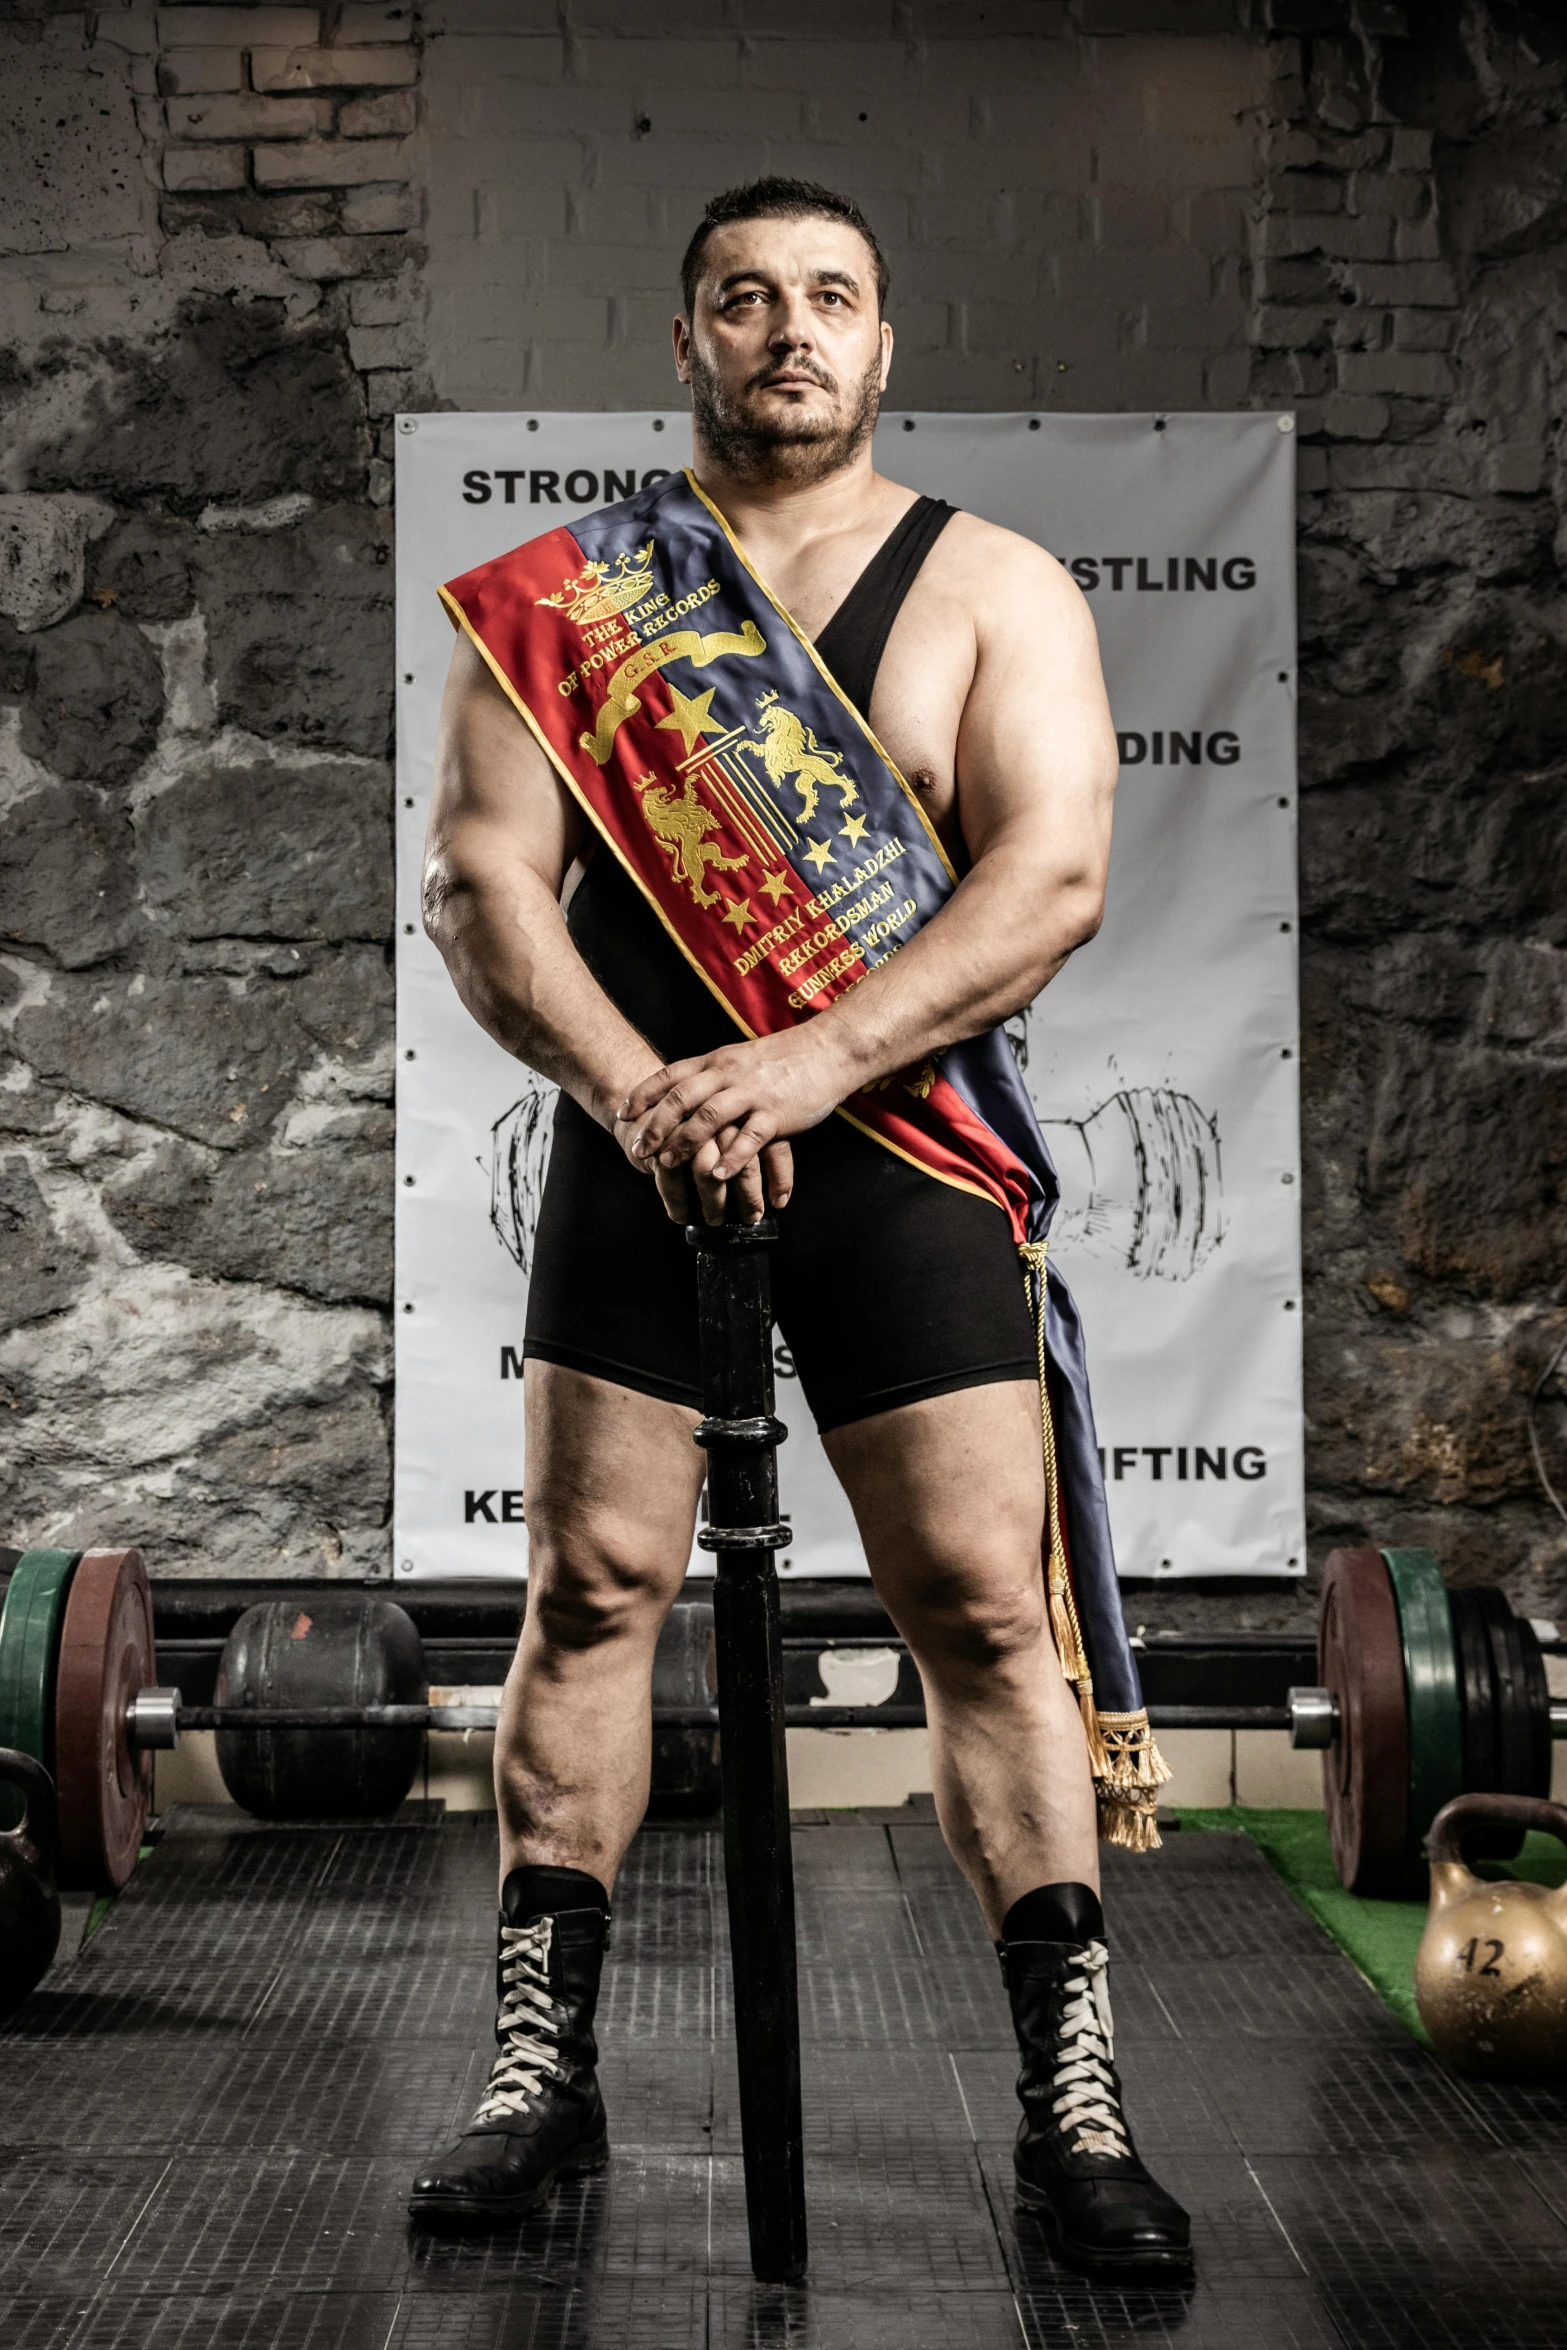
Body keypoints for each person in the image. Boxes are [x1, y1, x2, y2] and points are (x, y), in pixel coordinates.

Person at [409, 176, 1190, 2279]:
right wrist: (643, 1095)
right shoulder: (567, 605)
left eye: (829, 296)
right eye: (743, 298)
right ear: (686, 339)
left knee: (980, 1608)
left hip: (895, 1140)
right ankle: (536, 2074)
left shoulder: (996, 586)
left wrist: (803, 1066)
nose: (788, 329)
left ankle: (1073, 2100)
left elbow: (1048, 881)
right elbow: (485, 888)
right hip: (640, 1127)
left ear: (885, 340)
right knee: (590, 1587)